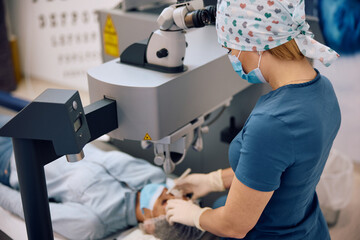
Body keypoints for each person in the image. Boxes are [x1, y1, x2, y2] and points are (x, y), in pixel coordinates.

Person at [165, 1, 341, 239]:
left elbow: (234, 225)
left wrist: (194, 215)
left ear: (255, 43)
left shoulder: (272, 123)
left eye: (230, 50)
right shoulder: (323, 90)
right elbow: (275, 170)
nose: (233, 58)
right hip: (308, 228)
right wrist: (213, 180)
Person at [0, 114, 209, 240]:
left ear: (152, 223)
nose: (175, 196)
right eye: (185, 198)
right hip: (40, 130)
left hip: (12, 160)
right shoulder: (154, 176)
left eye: (169, 204)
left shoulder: (94, 223)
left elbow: (26, 207)